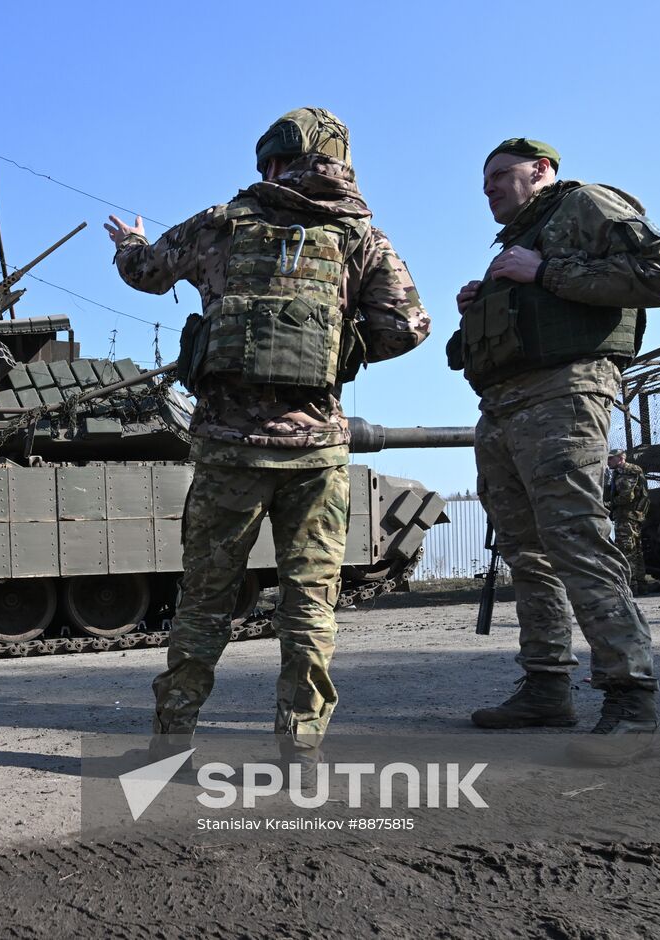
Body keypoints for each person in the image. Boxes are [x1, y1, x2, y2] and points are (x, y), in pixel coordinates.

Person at [106, 108, 430, 758]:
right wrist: (334, 349)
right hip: (317, 453)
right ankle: (300, 749)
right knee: (309, 604)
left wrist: (128, 247)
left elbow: (146, 274)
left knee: (205, 600)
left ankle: (170, 744)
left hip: (228, 450)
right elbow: (407, 325)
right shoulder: (360, 236)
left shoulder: (219, 224)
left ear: (274, 162)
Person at [449, 138, 660, 761]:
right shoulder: (516, 245)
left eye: (501, 175)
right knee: (527, 554)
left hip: (564, 392)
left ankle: (631, 701)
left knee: (576, 539)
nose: (490, 188)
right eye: (485, 181)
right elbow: (479, 347)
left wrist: (542, 272)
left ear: (542, 171)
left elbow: (656, 277)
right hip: (504, 406)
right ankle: (547, 686)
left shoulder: (585, 205)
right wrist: (478, 308)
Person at [605, 449, 651, 594]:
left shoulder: (627, 471)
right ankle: (640, 585)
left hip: (627, 516)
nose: (608, 461)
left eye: (611, 458)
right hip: (630, 516)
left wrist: (608, 504)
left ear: (620, 458)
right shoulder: (620, 472)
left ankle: (631, 586)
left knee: (626, 550)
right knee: (636, 550)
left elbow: (627, 496)